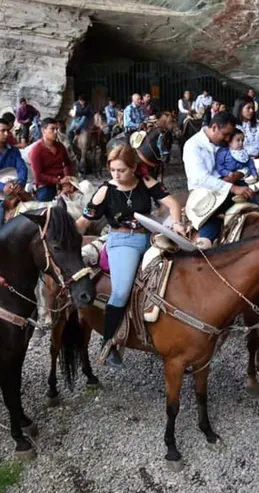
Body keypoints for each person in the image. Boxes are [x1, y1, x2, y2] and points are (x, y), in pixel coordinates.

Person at [76, 144, 184, 368]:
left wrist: (176, 223)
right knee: (122, 290)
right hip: (122, 241)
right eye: (113, 170)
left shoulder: (146, 182)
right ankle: (109, 343)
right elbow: (86, 220)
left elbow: (172, 203)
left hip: (152, 236)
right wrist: (68, 236)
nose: (116, 175)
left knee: (178, 274)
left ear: (134, 167)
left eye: (121, 170)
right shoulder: (105, 190)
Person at [183, 111, 254, 249]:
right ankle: (202, 249)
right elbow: (201, 178)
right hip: (205, 195)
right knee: (209, 228)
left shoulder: (222, 142)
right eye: (225, 134)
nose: (228, 139)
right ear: (214, 127)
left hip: (230, 185)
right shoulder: (193, 145)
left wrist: (239, 173)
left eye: (230, 135)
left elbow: (242, 160)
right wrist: (233, 187)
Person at [29, 118, 74, 201]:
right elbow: (38, 176)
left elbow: (68, 163)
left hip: (62, 182)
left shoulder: (60, 147)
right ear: (43, 130)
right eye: (52, 129)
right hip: (46, 186)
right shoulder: (36, 150)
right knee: (48, 207)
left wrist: (68, 177)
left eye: (57, 129)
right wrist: (58, 181)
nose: (56, 132)